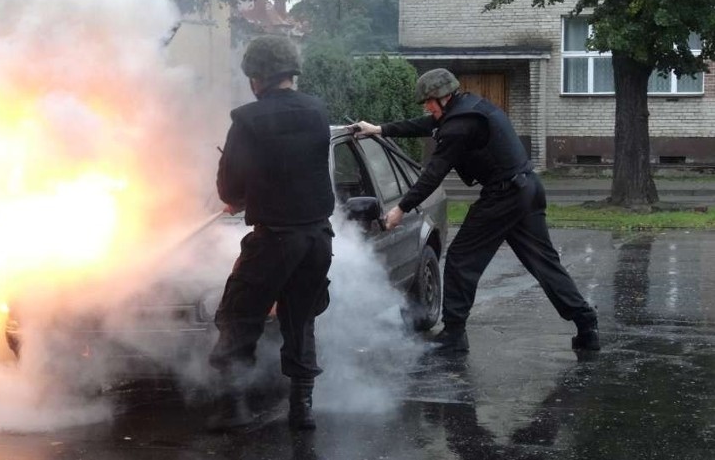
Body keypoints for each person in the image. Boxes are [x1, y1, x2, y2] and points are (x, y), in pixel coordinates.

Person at [351, 68, 599, 356]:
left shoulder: (459, 126)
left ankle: (454, 335)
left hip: (504, 196)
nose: (427, 108)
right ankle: (586, 323)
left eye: (429, 101)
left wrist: (401, 209)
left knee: (460, 259)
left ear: (445, 97)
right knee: (544, 263)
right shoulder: (468, 109)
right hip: (528, 189)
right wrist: (380, 129)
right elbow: (427, 125)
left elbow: (433, 174)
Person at [208, 35, 335, 431]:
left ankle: (234, 410)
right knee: (300, 319)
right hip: (317, 239)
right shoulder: (317, 111)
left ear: (256, 78)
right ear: (290, 74)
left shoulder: (246, 120)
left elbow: (230, 190)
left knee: (237, 318)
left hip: (274, 240)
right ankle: (302, 410)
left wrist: (239, 197)